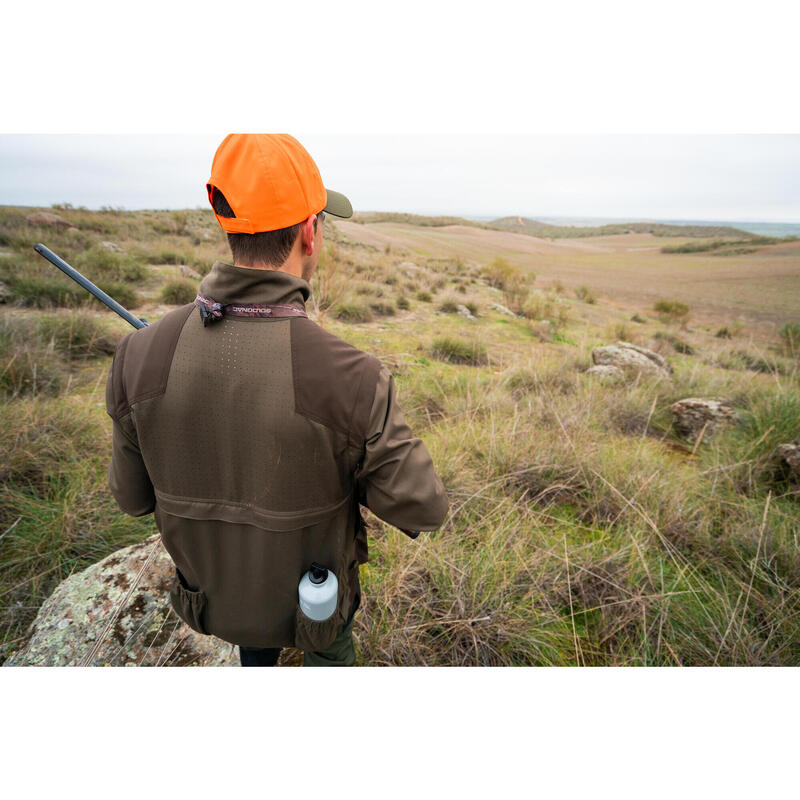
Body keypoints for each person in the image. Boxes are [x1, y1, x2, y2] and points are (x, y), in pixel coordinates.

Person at [104, 134, 450, 666]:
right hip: (318, 607)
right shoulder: (354, 377)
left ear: (230, 225)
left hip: (215, 603)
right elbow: (424, 509)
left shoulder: (136, 358)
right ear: (310, 233)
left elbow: (131, 499)